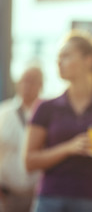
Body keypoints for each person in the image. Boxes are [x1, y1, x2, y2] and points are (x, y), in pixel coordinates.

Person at [24, 30, 92, 212]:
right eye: (59, 57)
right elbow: (29, 161)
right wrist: (69, 148)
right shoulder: (45, 108)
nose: (59, 62)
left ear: (88, 60)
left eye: (66, 56)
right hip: (50, 201)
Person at [0, 66, 42, 212]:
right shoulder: (3, 113)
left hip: (38, 195)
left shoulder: (46, 116)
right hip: (6, 194)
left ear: (41, 86)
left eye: (32, 82)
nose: (27, 86)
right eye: (24, 81)